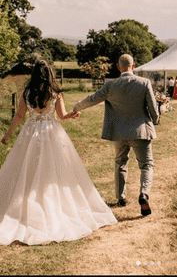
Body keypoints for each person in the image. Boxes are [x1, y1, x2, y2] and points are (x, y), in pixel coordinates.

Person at [0, 60, 117, 246]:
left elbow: (19, 116)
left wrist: (7, 135)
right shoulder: (55, 93)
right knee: (53, 172)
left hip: (30, 133)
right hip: (50, 133)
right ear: (50, 74)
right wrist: (71, 115)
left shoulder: (27, 92)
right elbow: (62, 116)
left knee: (25, 168)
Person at [73, 54, 159, 216]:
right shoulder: (144, 83)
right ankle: (144, 194)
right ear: (133, 67)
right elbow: (153, 109)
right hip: (140, 132)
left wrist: (76, 108)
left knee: (120, 163)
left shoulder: (110, 85)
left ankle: (121, 198)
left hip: (119, 133)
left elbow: (93, 98)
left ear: (119, 67)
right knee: (146, 165)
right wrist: (156, 119)